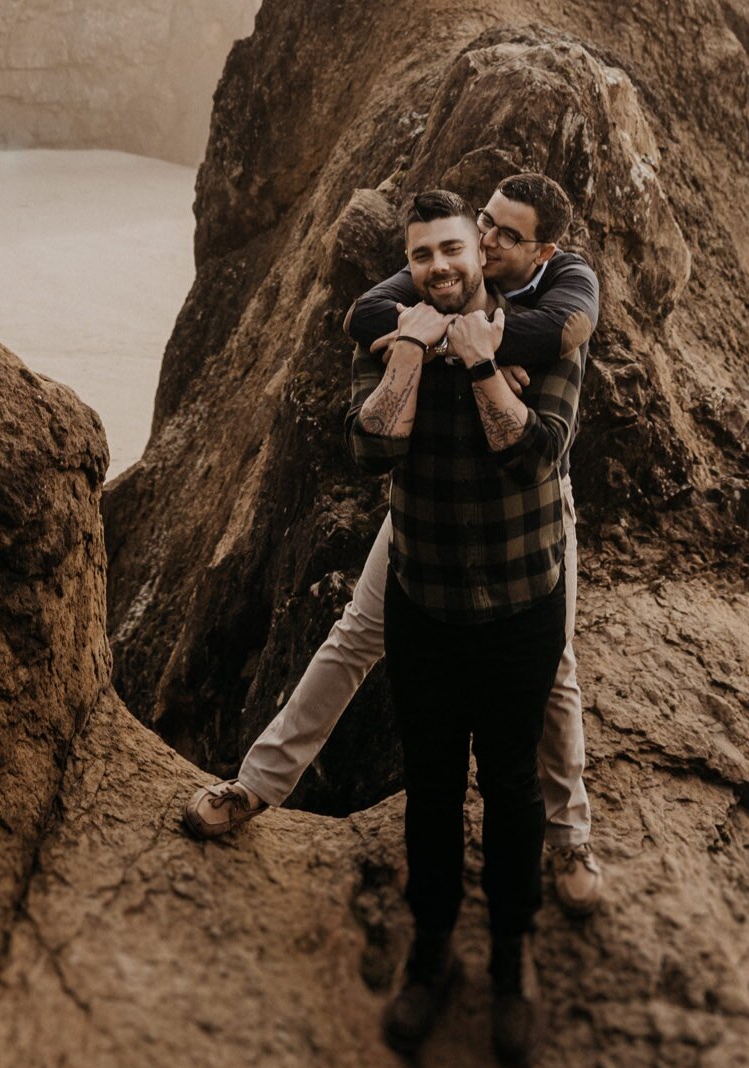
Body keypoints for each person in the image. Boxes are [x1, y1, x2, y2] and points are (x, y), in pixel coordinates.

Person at [183, 172, 607, 915]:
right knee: (355, 635)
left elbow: (566, 330)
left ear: (543, 247)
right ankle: (254, 784)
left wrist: (485, 344)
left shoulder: (567, 283)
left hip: (529, 506)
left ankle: (570, 837)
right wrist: (448, 336)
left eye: (507, 233)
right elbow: (368, 311)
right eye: (486, 221)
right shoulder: (449, 263)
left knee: (556, 669)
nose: (487, 238)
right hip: (431, 505)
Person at [346, 189, 583, 1065]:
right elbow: (370, 446)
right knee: (434, 786)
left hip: (521, 603)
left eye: (453, 249)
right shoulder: (396, 327)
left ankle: (514, 957)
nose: (440, 267)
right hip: (426, 603)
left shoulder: (538, 334)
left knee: (515, 787)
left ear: (481, 253)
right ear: (408, 267)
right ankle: (434, 947)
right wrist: (411, 353)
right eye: (422, 257)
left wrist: (483, 365)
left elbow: (533, 455)